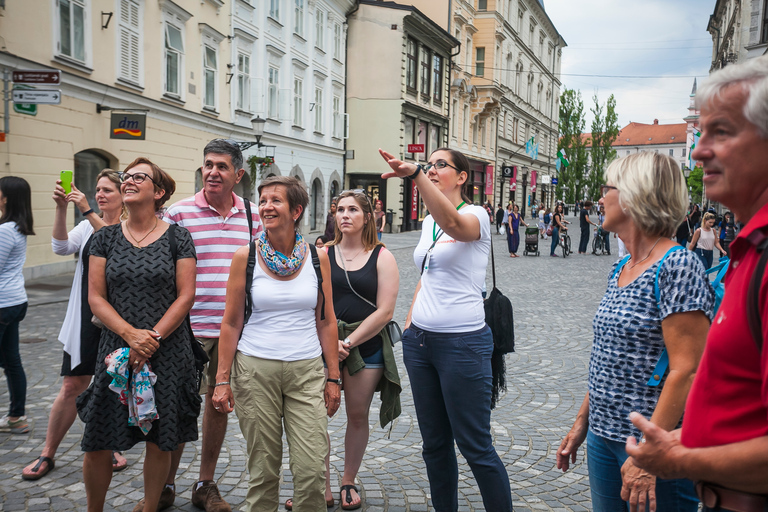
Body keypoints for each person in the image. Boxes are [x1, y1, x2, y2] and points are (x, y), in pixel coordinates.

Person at [625, 54, 768, 512]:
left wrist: (680, 455)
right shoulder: (750, 248)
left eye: (721, 132)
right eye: (700, 133)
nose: (699, 150)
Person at [557, 151, 714, 512]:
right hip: (603, 433)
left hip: (654, 445)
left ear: (633, 196)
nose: (600, 198)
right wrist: (583, 421)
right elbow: (606, 356)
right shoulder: (622, 266)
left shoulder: (677, 266)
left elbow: (687, 370)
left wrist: (647, 453)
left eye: (606, 188)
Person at [379, 147, 514, 511]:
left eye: (441, 165)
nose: (433, 169)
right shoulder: (427, 222)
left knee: (475, 445)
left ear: (462, 177)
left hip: (463, 344)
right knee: (434, 445)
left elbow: (455, 225)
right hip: (421, 344)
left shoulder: (477, 215)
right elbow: (427, 274)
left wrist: (415, 176)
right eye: (430, 164)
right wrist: (409, 325)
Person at [211, 176, 341, 512]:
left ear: (296, 210)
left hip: (307, 370)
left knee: (312, 470)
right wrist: (222, 380)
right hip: (255, 371)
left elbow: (326, 319)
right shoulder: (246, 257)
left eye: (276, 200)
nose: (267, 206)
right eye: (263, 200)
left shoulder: (318, 258)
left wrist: (333, 376)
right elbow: (231, 321)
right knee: (263, 472)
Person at [79, 158, 199, 512]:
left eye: (138, 177)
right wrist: (131, 335)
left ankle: (149, 506)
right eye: (126, 177)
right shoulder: (105, 238)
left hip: (167, 349)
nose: (128, 181)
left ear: (158, 192)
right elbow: (95, 297)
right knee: (98, 438)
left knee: (160, 440)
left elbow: (186, 295)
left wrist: (153, 338)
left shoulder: (178, 236)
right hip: (116, 348)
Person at [155, 139, 262, 512]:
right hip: (187, 329)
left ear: (238, 174)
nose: (213, 172)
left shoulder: (253, 216)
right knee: (179, 409)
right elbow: (161, 268)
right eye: (208, 165)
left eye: (221, 166)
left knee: (219, 407)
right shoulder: (180, 214)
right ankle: (164, 484)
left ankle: (205, 483)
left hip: (235, 330)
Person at [22, 170, 127, 480]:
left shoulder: (128, 227)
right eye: (97, 189)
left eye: (108, 189)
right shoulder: (85, 224)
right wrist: (60, 207)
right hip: (85, 316)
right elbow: (60, 247)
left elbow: (115, 243)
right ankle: (47, 453)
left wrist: (85, 208)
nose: (100, 194)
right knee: (72, 385)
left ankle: (110, 447)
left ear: (123, 197)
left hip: (118, 319)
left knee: (112, 385)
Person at [307, 189, 401, 511]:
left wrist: (348, 342)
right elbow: (314, 305)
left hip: (366, 347)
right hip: (324, 345)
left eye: (353, 210)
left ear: (366, 217)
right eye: (340, 210)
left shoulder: (382, 256)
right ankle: (321, 487)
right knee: (315, 417)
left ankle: (348, 480)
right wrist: (330, 344)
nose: (345, 215)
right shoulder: (322, 253)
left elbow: (385, 311)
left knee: (356, 415)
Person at [0, 176, 34, 435]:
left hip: (3, 303)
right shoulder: (17, 227)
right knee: (12, 360)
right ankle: (16, 418)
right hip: (14, 301)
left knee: (11, 361)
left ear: (7, 197)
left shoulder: (4, 230)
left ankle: (16, 416)